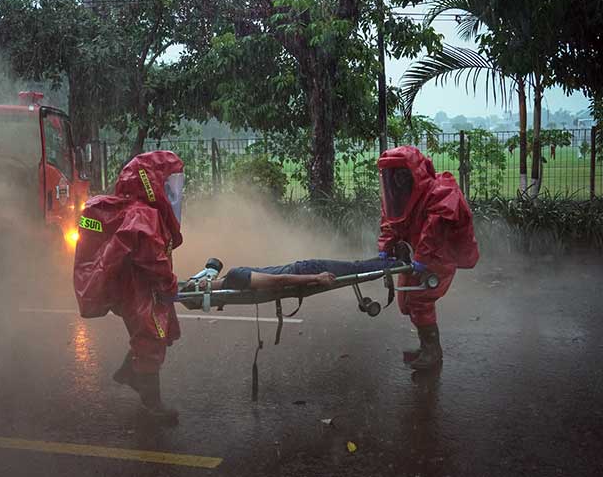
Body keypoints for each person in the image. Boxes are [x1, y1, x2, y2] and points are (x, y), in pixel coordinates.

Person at [73, 151, 184, 425]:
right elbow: (152, 258)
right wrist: (169, 283)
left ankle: (130, 371)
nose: (173, 190)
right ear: (151, 182)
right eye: (168, 182)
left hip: (135, 288)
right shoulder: (142, 215)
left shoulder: (132, 210)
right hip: (141, 290)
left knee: (152, 333)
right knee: (151, 337)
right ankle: (151, 404)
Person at [377, 146, 479, 370]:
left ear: (414, 172)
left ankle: (433, 353)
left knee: (420, 300)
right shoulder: (400, 195)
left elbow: (433, 233)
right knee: (406, 304)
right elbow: (391, 223)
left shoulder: (441, 193)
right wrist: (385, 247)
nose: (397, 181)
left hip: (440, 254)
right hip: (421, 254)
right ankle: (427, 347)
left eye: (402, 175)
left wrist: (421, 259)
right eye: (394, 175)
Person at [185, 258, 403, 291]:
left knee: (354, 269)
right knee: (354, 270)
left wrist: (316, 277)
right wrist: (316, 278)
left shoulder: (234, 280)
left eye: (201, 279)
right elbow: (278, 281)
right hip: (303, 270)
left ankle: (392, 261)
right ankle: (394, 263)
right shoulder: (234, 279)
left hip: (302, 269)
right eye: (201, 282)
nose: (204, 280)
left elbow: (278, 280)